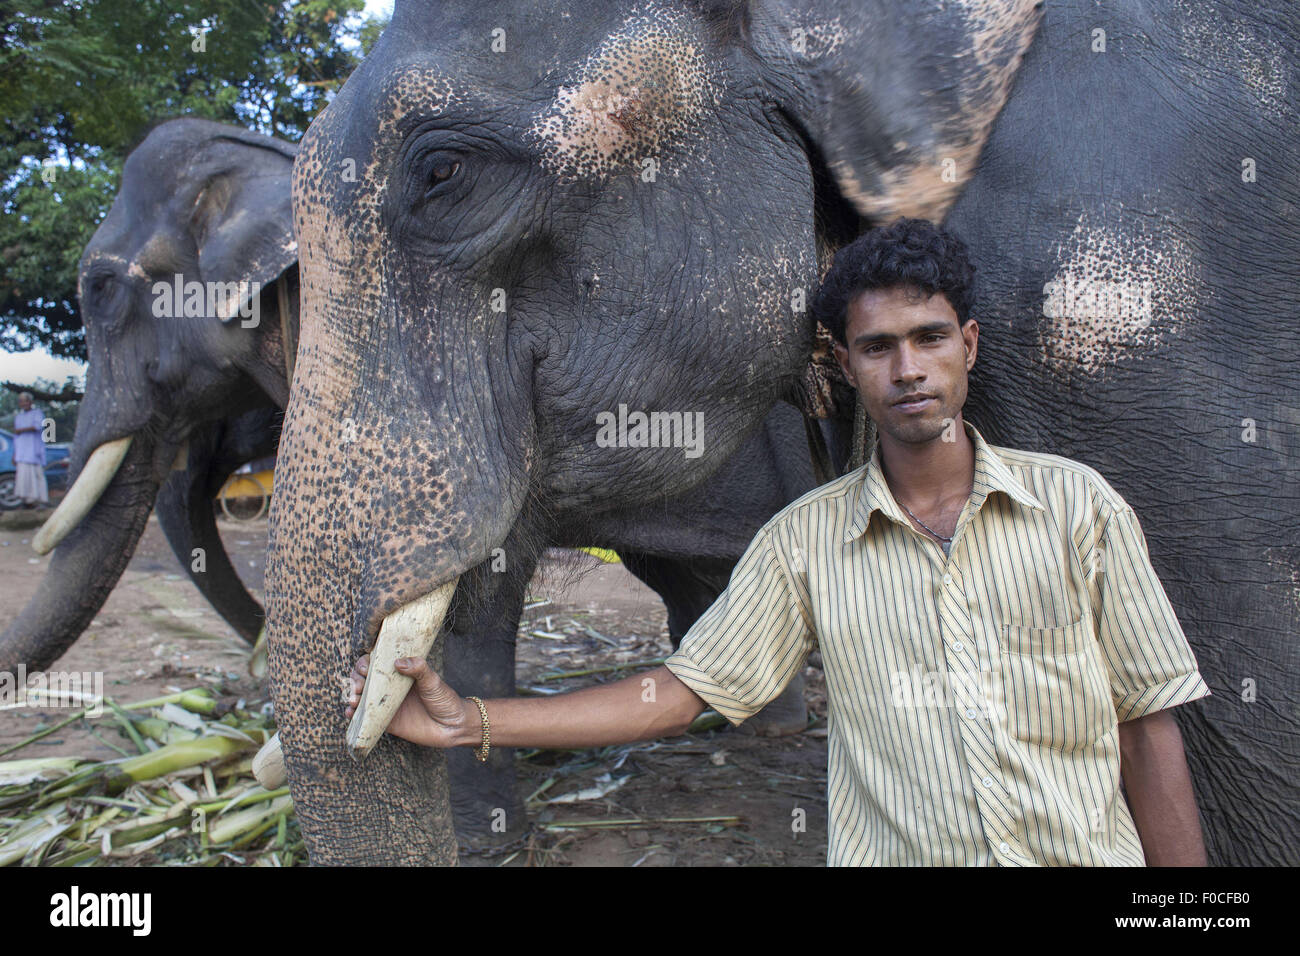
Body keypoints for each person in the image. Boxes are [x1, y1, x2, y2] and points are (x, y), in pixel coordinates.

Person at [345, 218, 1211, 867]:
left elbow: (1147, 729)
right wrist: (475, 722)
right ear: (842, 367)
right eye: (878, 348)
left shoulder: (1080, 507)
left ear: (968, 347)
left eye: (929, 339)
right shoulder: (805, 542)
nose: (908, 370)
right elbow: (682, 693)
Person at [12, 392, 48, 508]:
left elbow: (37, 426)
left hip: (34, 450)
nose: (23, 403)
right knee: (23, 476)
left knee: (37, 475)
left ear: (30, 402)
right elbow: (16, 437)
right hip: (22, 451)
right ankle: (28, 501)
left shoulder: (37, 413)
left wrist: (22, 430)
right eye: (21, 401)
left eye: (25, 401)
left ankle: (41, 501)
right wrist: (15, 453)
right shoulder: (18, 417)